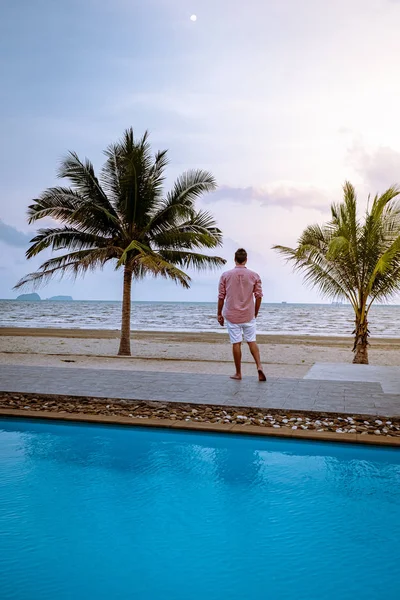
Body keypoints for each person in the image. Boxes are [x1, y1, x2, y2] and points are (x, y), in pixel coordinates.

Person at [217, 248, 266, 381]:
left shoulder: (225, 275)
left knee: (236, 343)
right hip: (249, 315)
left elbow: (221, 296)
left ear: (235, 259)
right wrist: (255, 312)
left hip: (232, 315)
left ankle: (238, 373)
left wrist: (219, 314)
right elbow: (259, 296)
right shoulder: (254, 275)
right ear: (246, 260)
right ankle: (259, 366)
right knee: (251, 341)